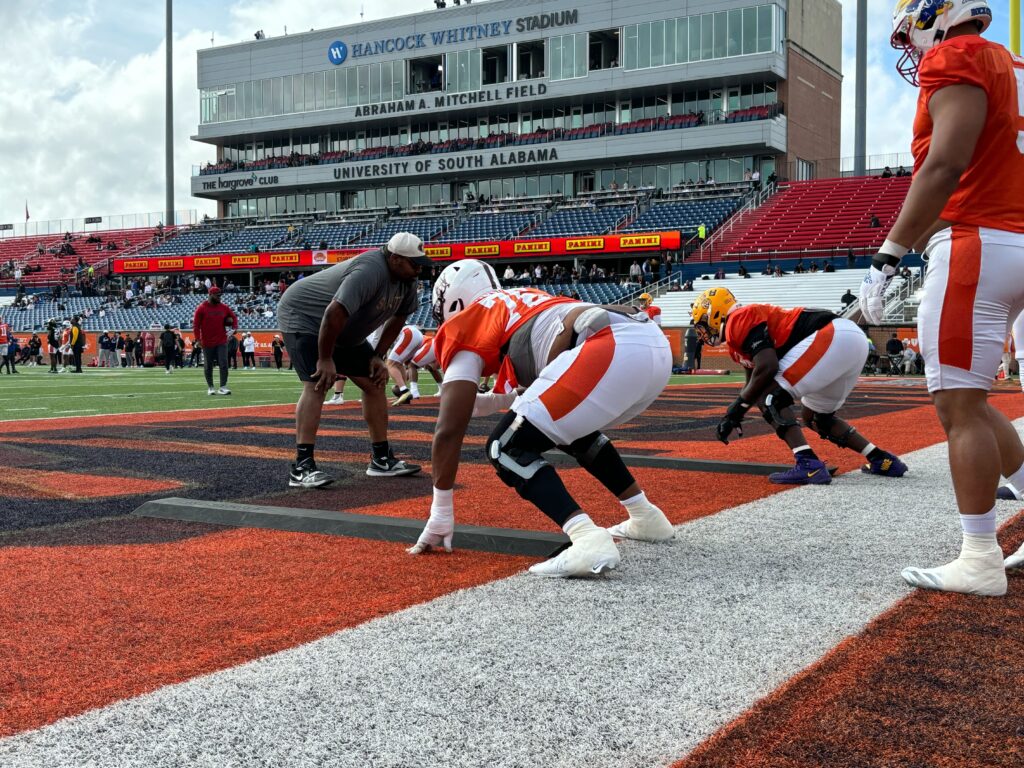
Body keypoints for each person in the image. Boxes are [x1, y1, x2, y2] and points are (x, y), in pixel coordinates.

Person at [859, 0, 1024, 596]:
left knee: (958, 406)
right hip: (1018, 235)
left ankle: (979, 556)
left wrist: (889, 253)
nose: (911, 50)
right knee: (975, 404)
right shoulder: (1014, 63)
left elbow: (947, 163)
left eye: (910, 34)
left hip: (981, 243)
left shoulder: (958, 54)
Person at [408, 260, 674, 577]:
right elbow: (528, 392)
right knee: (570, 429)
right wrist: (491, 401)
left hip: (608, 348)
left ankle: (587, 538)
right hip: (650, 346)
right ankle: (645, 516)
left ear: (452, 302)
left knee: (504, 447)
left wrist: (440, 511)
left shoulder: (470, 320)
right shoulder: (521, 300)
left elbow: (448, 430)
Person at [692, 287, 907, 484]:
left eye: (702, 322)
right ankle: (882, 459)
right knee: (816, 417)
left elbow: (767, 368)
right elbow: (753, 383)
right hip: (850, 340)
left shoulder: (737, 319)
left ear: (715, 312)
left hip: (832, 335)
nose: (701, 332)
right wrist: (734, 414)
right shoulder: (737, 338)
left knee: (771, 397)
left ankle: (808, 464)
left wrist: (736, 410)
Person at [275, 231, 428, 486]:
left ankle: (381, 459)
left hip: (343, 328)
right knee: (318, 383)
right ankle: (301, 468)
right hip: (306, 317)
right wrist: (325, 359)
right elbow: (333, 312)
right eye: (414, 264)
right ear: (395, 258)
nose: (419, 270)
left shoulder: (408, 280)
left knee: (374, 381)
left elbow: (398, 319)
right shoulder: (369, 270)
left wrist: (378, 356)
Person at [193, 286, 238, 395]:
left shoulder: (224, 307)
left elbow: (234, 318)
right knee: (208, 365)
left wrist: (234, 328)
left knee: (223, 363)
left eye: (220, 296)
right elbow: (196, 325)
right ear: (210, 295)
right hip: (207, 341)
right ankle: (210, 387)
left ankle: (223, 386)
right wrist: (198, 339)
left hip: (221, 340)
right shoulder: (201, 308)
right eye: (217, 296)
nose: (219, 298)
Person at [387, 325, 425, 405]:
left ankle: (404, 391)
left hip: (409, 333)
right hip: (418, 337)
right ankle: (403, 394)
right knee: (398, 363)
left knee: (390, 364)